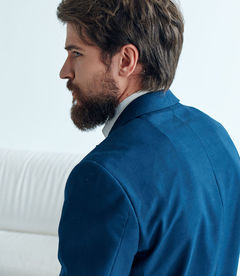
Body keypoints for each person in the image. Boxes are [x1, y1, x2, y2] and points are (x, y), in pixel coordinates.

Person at [56, 0, 240, 275]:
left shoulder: (102, 177)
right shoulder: (217, 137)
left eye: (76, 53)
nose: (64, 71)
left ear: (126, 61)